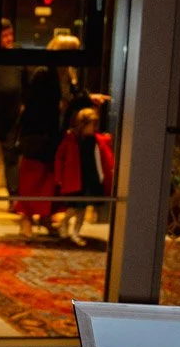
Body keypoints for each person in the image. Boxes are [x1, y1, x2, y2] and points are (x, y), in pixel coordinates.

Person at [11, 66, 62, 236]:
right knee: (35, 177)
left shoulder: (48, 76)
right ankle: (28, 217)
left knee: (44, 178)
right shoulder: (47, 75)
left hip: (42, 135)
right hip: (39, 135)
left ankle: (38, 217)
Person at [54, 106, 115, 245]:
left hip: (89, 179)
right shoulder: (71, 140)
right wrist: (59, 177)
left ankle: (75, 233)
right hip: (74, 180)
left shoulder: (96, 140)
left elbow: (105, 156)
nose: (93, 128)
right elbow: (59, 158)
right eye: (91, 124)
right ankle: (64, 225)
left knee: (81, 209)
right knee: (72, 209)